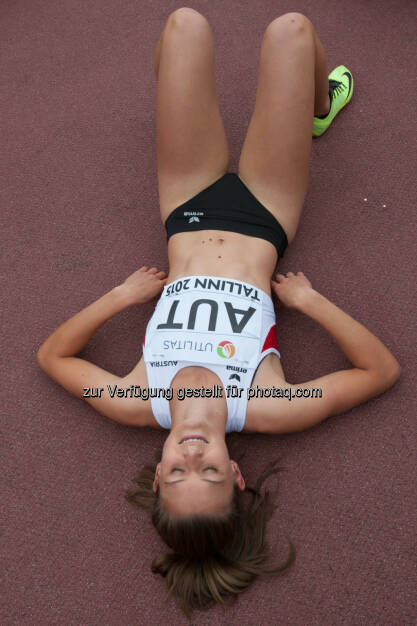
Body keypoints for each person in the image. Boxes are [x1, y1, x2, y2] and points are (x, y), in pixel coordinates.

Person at [37, 8, 401, 617]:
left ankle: (179, 103)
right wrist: (314, 305)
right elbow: (380, 373)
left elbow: (53, 356)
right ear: (236, 479)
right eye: (209, 475)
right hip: (266, 210)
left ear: (157, 476)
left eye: (178, 476)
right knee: (291, 31)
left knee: (184, 26)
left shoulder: (136, 400)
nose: (193, 457)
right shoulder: (269, 408)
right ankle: (320, 110)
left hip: (188, 206)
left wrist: (121, 298)